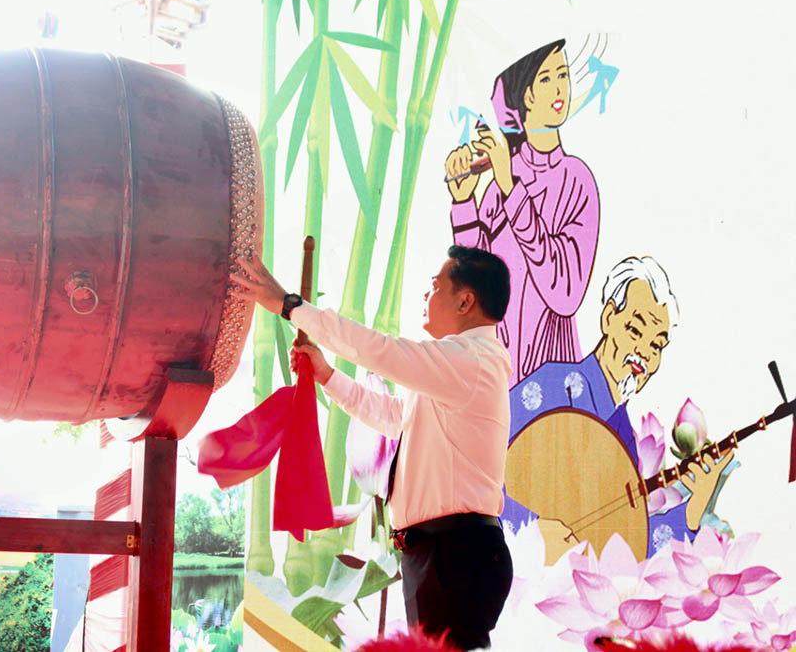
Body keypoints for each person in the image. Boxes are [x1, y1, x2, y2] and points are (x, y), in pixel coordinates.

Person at [232, 245, 513, 651]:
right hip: (443, 555)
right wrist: (327, 375)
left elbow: (379, 350)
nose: (426, 296)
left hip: (455, 556)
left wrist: (290, 305)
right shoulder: (461, 368)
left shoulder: (471, 360)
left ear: (466, 301)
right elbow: (394, 416)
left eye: (436, 287)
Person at [505, 256, 734, 562]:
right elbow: (474, 468)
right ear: (609, 317)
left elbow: (627, 546)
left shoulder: (622, 434)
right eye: (635, 331)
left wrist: (691, 513)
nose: (643, 354)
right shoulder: (553, 386)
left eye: (656, 346)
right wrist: (531, 528)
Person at [445, 39, 599, 386]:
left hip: (549, 376)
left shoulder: (577, 179)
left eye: (563, 74)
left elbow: (566, 293)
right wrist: (464, 203)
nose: (560, 87)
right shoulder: (499, 179)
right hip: (494, 371)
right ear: (525, 96)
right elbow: (475, 289)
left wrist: (512, 188)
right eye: (545, 79)